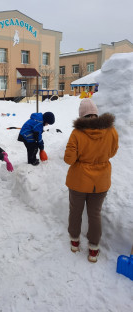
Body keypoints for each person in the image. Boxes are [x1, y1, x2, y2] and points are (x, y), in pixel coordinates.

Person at [64, 98, 118, 262]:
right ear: (96, 113)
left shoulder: (77, 133)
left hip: (78, 181)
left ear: (81, 116)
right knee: (95, 214)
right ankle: (93, 250)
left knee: (75, 211)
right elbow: (112, 152)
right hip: (100, 182)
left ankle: (75, 242)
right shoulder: (111, 131)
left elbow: (69, 159)